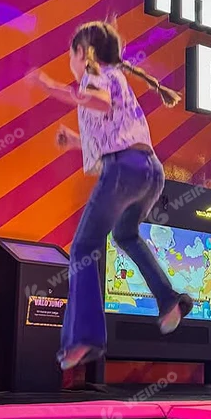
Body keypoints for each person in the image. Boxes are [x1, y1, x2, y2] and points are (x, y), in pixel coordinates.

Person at [31, 20, 194, 370]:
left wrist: (52, 88)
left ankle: (84, 337)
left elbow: (101, 104)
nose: (71, 65)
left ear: (81, 53)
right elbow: (114, 133)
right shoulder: (117, 77)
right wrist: (76, 142)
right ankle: (168, 300)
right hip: (150, 171)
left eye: (70, 57)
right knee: (125, 234)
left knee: (83, 248)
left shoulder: (97, 75)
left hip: (125, 171)